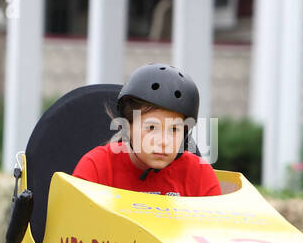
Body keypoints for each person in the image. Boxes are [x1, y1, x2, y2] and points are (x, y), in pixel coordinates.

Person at [72, 63, 222, 197]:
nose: (164, 142)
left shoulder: (200, 175)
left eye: (174, 129)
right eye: (151, 128)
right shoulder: (96, 168)